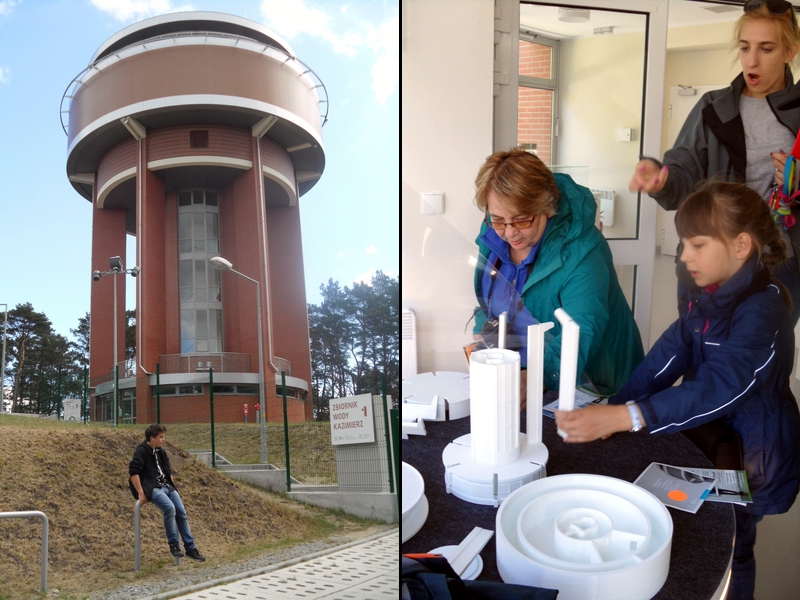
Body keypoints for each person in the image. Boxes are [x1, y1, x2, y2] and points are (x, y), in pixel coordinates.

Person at [556, 181, 800, 600]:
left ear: (741, 245)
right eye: (684, 243)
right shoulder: (704, 295)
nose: (684, 256)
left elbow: (721, 387)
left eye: (697, 244)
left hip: (755, 460)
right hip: (711, 441)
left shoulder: (765, 307)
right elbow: (666, 357)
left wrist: (628, 417)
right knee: (700, 531)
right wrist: (617, 408)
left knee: (733, 549)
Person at [629, 0, 800, 325]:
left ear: (790, 50)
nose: (751, 60)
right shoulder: (713, 107)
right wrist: (662, 180)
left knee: (759, 359)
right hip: (711, 259)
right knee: (701, 353)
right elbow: (681, 172)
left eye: (766, 49)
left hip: (780, 262)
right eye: (745, 47)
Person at [472, 148, 644, 398]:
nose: (509, 233)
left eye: (521, 220)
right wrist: (481, 342)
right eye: (497, 219)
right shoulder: (492, 235)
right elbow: (490, 301)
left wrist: (537, 376)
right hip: (522, 376)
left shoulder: (584, 249)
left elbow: (584, 326)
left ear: (546, 207)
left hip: (593, 384)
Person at [129, 424, 206, 562]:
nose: (163, 440)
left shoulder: (161, 451)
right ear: (152, 438)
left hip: (167, 486)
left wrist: (172, 487)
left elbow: (168, 471)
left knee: (181, 511)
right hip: (153, 488)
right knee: (169, 508)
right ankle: (174, 545)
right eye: (161, 437)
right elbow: (133, 472)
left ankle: (190, 548)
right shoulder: (142, 451)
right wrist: (141, 493)